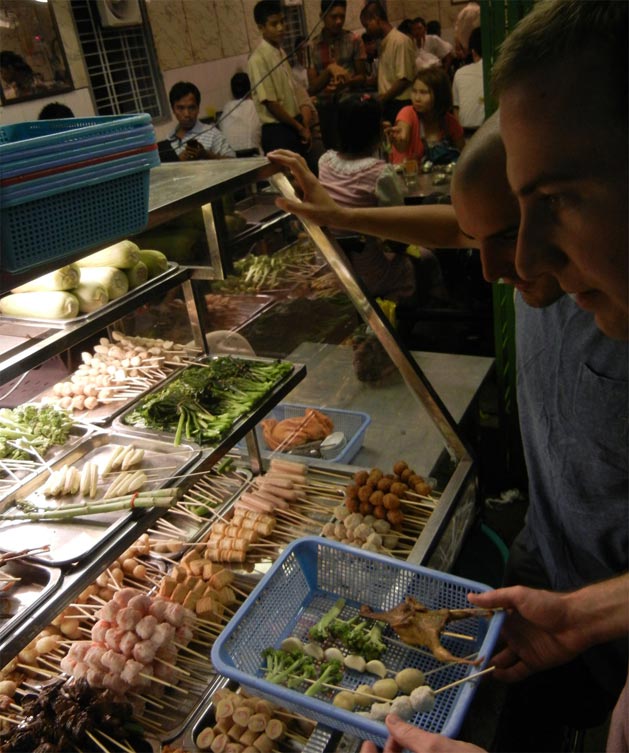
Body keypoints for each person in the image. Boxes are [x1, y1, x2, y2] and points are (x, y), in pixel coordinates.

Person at [359, 574, 629, 753]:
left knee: (573, 706)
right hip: (549, 557)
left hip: (605, 659)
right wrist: (576, 616)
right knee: (528, 708)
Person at [318, 94, 414, 303]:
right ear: (377, 133)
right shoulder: (380, 173)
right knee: (424, 260)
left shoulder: (324, 162)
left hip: (336, 268)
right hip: (370, 275)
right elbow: (400, 237)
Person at [248, 0, 313, 157]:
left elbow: (293, 90)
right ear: (261, 27)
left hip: (293, 125)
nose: (281, 28)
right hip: (278, 131)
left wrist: (303, 122)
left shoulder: (280, 51)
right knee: (287, 180)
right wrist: (299, 127)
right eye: (274, 24)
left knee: (302, 177)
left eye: (282, 21)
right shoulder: (257, 58)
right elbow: (271, 103)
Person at [308, 0, 367, 150]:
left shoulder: (354, 40)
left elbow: (362, 77)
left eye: (342, 16)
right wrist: (329, 72)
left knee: (355, 152)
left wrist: (346, 82)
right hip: (326, 111)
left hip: (351, 107)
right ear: (322, 16)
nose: (339, 21)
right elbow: (313, 87)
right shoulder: (312, 47)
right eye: (333, 17)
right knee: (333, 156)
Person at [387, 68, 464, 165]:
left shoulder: (450, 122)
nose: (417, 98)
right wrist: (398, 140)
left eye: (423, 92)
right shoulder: (408, 113)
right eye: (414, 91)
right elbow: (402, 142)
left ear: (439, 95)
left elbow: (463, 156)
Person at [360, 1, 415, 124]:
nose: (367, 31)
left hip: (401, 103)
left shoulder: (400, 41)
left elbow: (404, 79)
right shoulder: (384, 43)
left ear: (376, 19)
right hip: (390, 103)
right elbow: (389, 76)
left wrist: (381, 99)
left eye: (367, 25)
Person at [167, 81, 235, 161]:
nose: (187, 114)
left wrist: (207, 155)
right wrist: (178, 161)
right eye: (181, 108)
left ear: (198, 108)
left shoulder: (212, 133)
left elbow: (234, 161)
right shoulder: (170, 138)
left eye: (191, 108)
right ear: (173, 110)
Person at [218, 72, 262, 155]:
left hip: (232, 158)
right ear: (251, 88)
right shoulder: (255, 106)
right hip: (253, 156)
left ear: (232, 91)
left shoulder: (227, 108)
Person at [452, 28, 485, 134]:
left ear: (473, 52)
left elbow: (455, 108)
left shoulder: (460, 73)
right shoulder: (500, 71)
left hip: (466, 132)